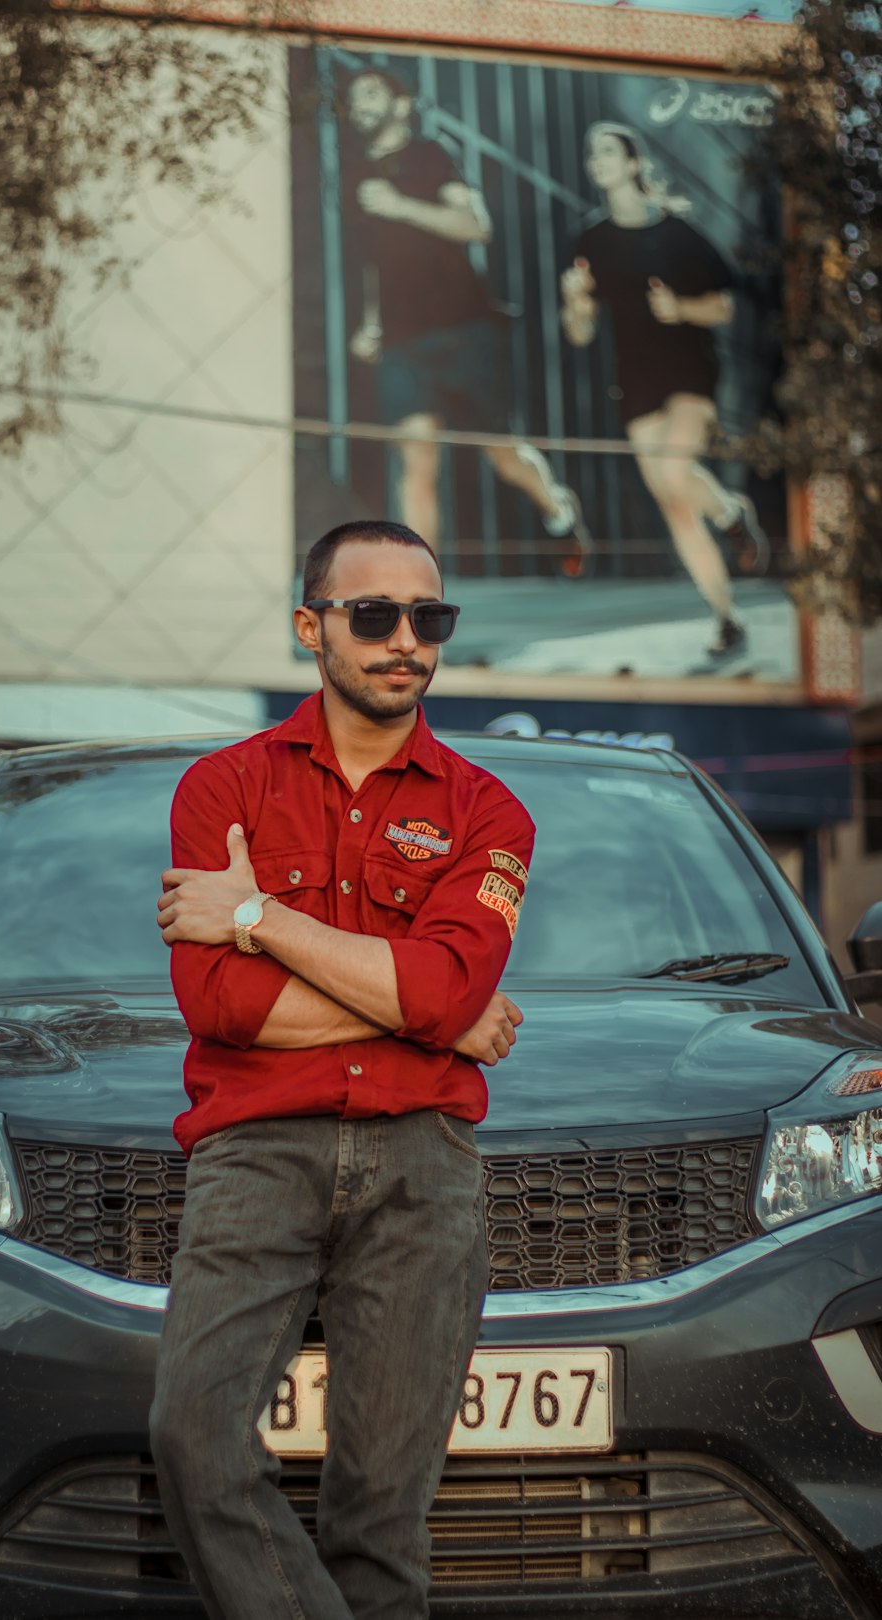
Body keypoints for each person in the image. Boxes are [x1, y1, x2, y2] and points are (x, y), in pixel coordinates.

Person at [151, 519, 534, 1620]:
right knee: (193, 1439)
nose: (405, 640)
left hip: (426, 1166)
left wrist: (259, 915)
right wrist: (425, 1011)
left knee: (380, 1518)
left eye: (430, 617)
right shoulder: (221, 790)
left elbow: (451, 992)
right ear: (311, 627)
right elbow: (222, 1006)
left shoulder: (490, 812)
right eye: (374, 616)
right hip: (255, 1154)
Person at [344, 68, 590, 573]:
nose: (359, 104)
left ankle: (558, 509)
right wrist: (370, 322)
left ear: (401, 103)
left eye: (371, 92)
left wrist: (400, 206)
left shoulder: (432, 154)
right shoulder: (355, 176)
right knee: (415, 465)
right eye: (353, 99)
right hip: (401, 340)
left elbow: (475, 226)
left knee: (501, 455)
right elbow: (375, 261)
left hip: (464, 329)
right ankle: (418, 590)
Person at [559, 120, 770, 660]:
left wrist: (679, 309)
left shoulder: (677, 232)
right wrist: (576, 303)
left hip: (689, 371)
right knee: (676, 504)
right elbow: (580, 334)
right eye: (592, 153)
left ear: (633, 162)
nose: (597, 160)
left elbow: (723, 307)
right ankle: (727, 616)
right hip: (634, 379)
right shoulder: (592, 239)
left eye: (608, 151)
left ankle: (729, 514)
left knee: (676, 472)